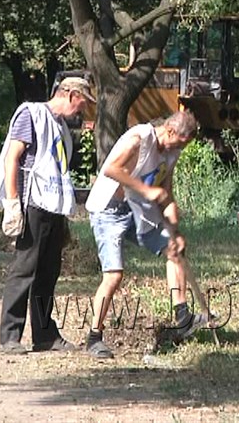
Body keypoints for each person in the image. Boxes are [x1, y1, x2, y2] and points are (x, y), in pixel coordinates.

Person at [84, 110, 206, 359]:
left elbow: (166, 193)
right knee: (114, 275)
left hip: (138, 209)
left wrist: (175, 230)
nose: (180, 149)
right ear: (170, 131)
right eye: (181, 142)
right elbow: (111, 169)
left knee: (174, 252)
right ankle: (94, 338)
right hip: (108, 210)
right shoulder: (139, 138)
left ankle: (183, 317)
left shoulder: (172, 152)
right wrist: (146, 191)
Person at [0, 77, 96, 354]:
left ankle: (45, 335)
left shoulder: (60, 127)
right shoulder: (32, 114)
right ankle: (10, 336)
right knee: (25, 268)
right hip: (32, 203)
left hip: (53, 206)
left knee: (49, 272)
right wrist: (13, 203)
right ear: (72, 95)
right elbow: (13, 158)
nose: (83, 110)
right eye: (83, 103)